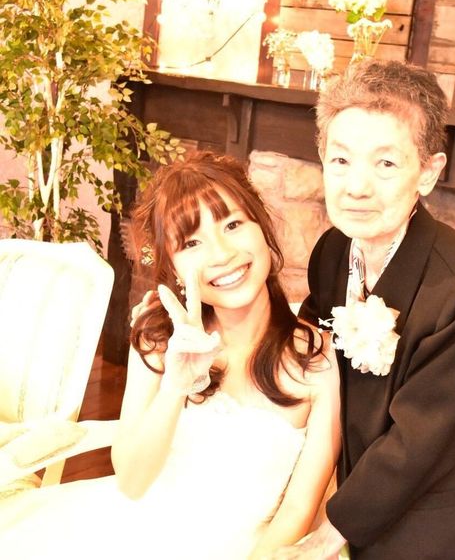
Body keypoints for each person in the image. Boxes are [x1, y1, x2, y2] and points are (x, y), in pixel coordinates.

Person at [0, 151, 340, 560]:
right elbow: (132, 482)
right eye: (192, 242)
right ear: (174, 268)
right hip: (120, 534)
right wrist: (175, 386)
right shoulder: (159, 340)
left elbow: (299, 510)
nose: (221, 254)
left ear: (263, 228)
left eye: (233, 225)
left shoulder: (317, 361)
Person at [272, 60, 455, 560]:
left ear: (428, 172)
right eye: (341, 160)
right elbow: (311, 347)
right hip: (370, 488)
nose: (356, 187)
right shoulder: (334, 249)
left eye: (386, 164)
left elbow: (421, 440)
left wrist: (325, 537)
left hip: (443, 515)